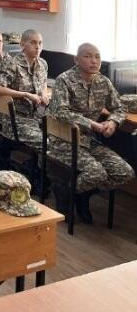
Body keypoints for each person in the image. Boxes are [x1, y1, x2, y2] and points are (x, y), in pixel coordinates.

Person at [49, 42, 134, 223]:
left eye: (97, 57)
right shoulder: (64, 80)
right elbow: (60, 112)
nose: (93, 61)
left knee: (124, 172)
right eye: (87, 56)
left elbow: (119, 107)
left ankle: (78, 192)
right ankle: (66, 192)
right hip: (63, 139)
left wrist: (112, 122)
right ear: (76, 59)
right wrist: (92, 124)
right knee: (97, 173)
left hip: (88, 140)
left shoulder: (103, 82)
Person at [0, 29, 47, 154]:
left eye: (40, 43)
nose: (37, 47)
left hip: (37, 117)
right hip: (16, 120)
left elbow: (43, 85)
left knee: (60, 139)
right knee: (46, 143)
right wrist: (25, 95)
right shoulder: (12, 64)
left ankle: (33, 163)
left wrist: (43, 96)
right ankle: (33, 164)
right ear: (22, 45)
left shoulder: (42, 65)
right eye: (33, 43)